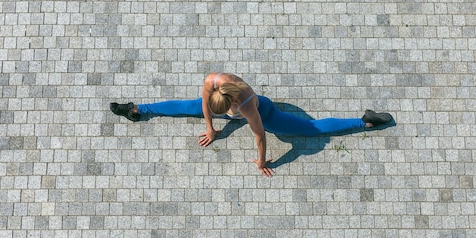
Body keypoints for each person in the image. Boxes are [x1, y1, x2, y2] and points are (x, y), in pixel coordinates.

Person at [110, 72, 394, 177]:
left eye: (220, 111)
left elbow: (260, 136)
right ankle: (138, 110)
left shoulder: (247, 105)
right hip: (229, 108)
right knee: (186, 107)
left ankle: (364, 121)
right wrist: (210, 127)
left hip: (265, 114)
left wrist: (261, 162)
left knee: (311, 129)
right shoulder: (213, 81)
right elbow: (203, 104)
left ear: (231, 103)